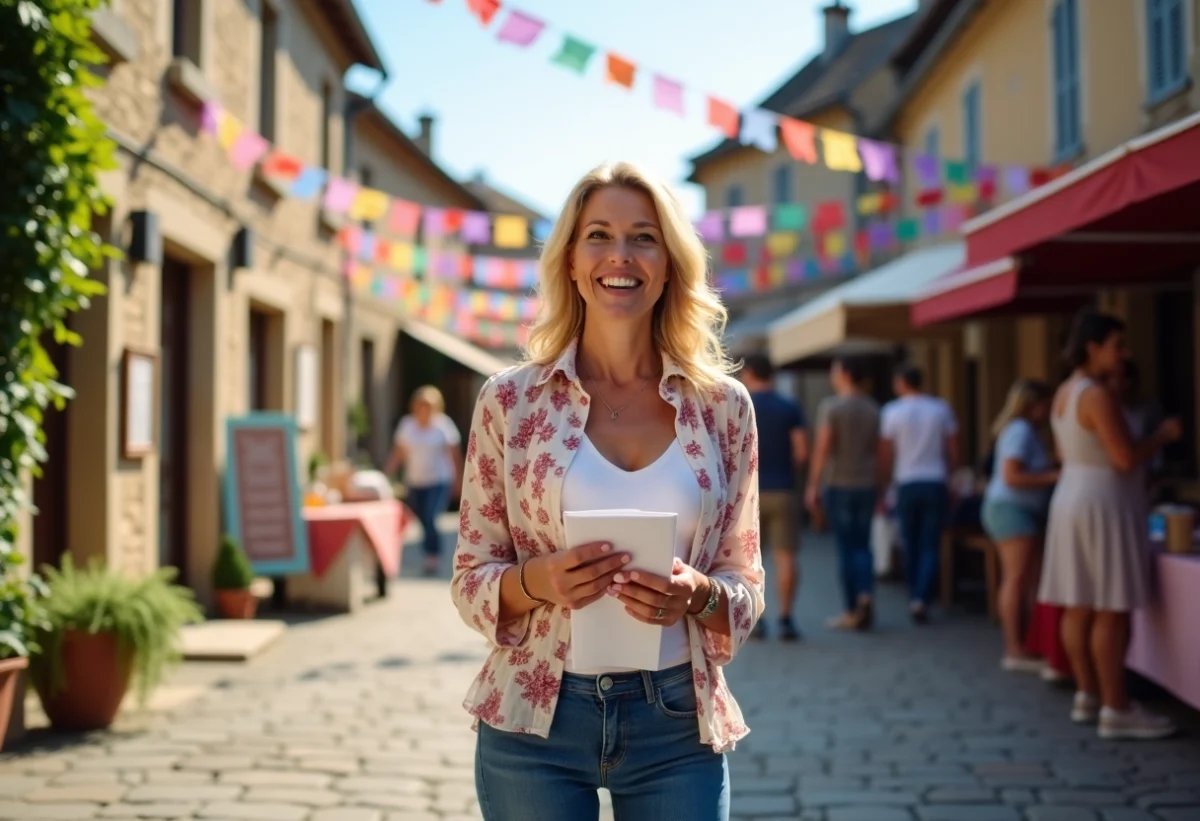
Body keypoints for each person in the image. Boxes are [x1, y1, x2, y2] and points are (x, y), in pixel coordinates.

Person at [450, 162, 763, 821]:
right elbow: (470, 575)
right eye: (599, 234)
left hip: (676, 719)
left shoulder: (724, 408)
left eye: (644, 237)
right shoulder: (508, 400)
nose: (620, 255)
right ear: (569, 259)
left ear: (671, 262)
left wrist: (699, 594)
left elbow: (745, 581)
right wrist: (539, 581)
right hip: (534, 717)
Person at [1040, 309, 1181, 740]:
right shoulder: (1097, 395)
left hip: (1074, 495)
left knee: (1080, 603)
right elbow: (1124, 459)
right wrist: (1161, 436)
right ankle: (1117, 707)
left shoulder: (1065, 392)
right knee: (1111, 608)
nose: (1125, 354)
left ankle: (1088, 694)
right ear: (1093, 348)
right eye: (1118, 346)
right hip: (1104, 500)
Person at [980, 380, 1060, 673]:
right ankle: (1014, 648)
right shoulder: (1020, 431)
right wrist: (1054, 477)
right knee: (1016, 579)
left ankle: (1024, 644)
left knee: (1023, 579)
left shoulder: (1026, 432)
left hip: (1016, 510)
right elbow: (1012, 475)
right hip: (1011, 509)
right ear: (1033, 404)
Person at [879, 364, 959, 624]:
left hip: (906, 481)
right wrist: (953, 476)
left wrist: (885, 482)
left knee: (909, 541)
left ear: (901, 382)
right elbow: (953, 448)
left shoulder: (892, 411)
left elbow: (887, 452)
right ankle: (922, 596)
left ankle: (915, 593)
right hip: (935, 480)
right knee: (930, 542)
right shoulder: (940, 408)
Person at [805, 354, 880, 631]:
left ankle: (851, 609)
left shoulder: (832, 407)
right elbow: (881, 452)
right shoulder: (873, 409)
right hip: (867, 483)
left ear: (846, 373)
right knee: (864, 545)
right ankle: (866, 593)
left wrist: (812, 485)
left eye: (835, 370)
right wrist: (882, 484)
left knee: (847, 548)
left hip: (839, 484)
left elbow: (823, 448)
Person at [740, 353, 807, 641]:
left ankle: (757, 619)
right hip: (783, 489)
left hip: (748, 494)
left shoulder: (742, 406)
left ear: (751, 373)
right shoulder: (789, 407)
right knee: (786, 557)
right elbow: (802, 452)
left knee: (752, 560)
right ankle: (786, 618)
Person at [385, 385, 462, 576]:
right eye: (421, 405)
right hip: (415, 481)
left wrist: (459, 480)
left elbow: (454, 455)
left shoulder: (443, 425)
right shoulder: (407, 426)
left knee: (431, 517)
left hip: (438, 480)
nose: (424, 409)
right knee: (422, 520)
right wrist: (387, 474)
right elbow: (399, 453)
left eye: (428, 405)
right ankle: (430, 551)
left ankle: (433, 555)